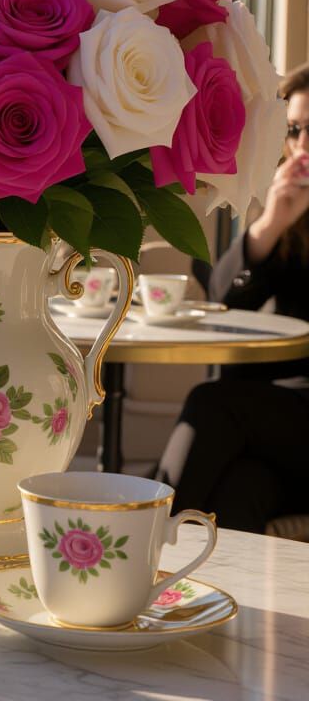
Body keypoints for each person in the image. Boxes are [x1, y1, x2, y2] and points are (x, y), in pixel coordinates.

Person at [158, 62, 309, 532]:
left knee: (213, 403)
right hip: (283, 433)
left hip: (291, 420)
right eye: (295, 130)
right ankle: (181, 595)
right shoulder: (295, 213)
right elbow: (224, 302)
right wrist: (269, 227)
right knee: (237, 489)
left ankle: (139, 544)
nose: (302, 146)